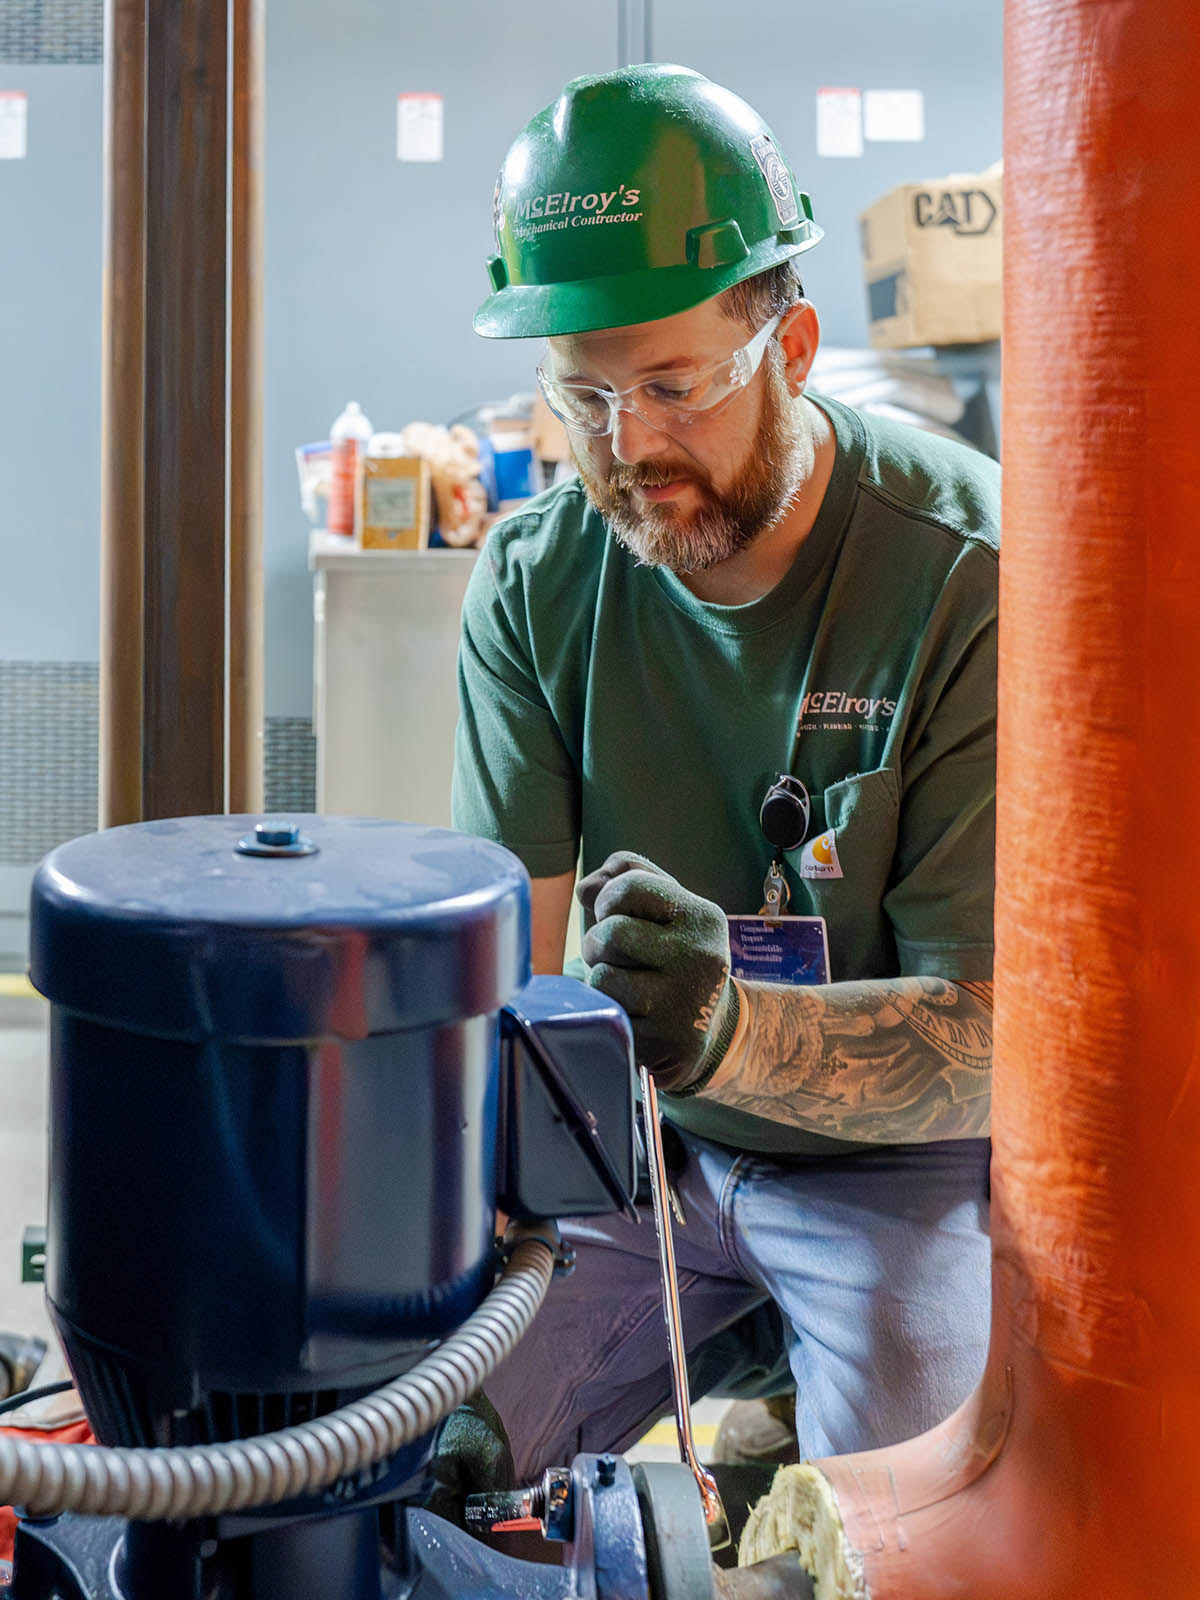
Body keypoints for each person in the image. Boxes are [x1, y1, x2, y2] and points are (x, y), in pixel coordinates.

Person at [453, 64, 997, 1479]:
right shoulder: (534, 578)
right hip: (627, 1144)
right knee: (412, 1452)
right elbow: (502, 961)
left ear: (795, 344)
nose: (630, 449)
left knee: (925, 1513)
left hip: (899, 1172)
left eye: (674, 386)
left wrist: (727, 1030)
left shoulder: (965, 578)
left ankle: (797, 1419)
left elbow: (996, 1046)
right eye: (583, 398)